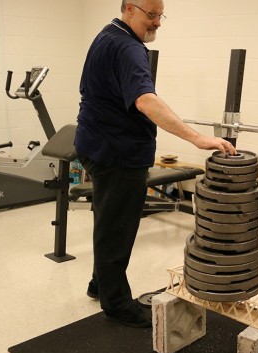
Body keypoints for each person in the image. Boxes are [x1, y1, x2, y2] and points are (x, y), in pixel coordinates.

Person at [75, 0, 236, 328]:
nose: (158, 22)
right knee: (118, 227)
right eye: (151, 15)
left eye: (160, 15)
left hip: (96, 145)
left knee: (109, 220)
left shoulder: (107, 35)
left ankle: (100, 282)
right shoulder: (128, 48)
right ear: (130, 9)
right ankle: (117, 304)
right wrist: (197, 139)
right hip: (116, 154)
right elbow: (146, 100)